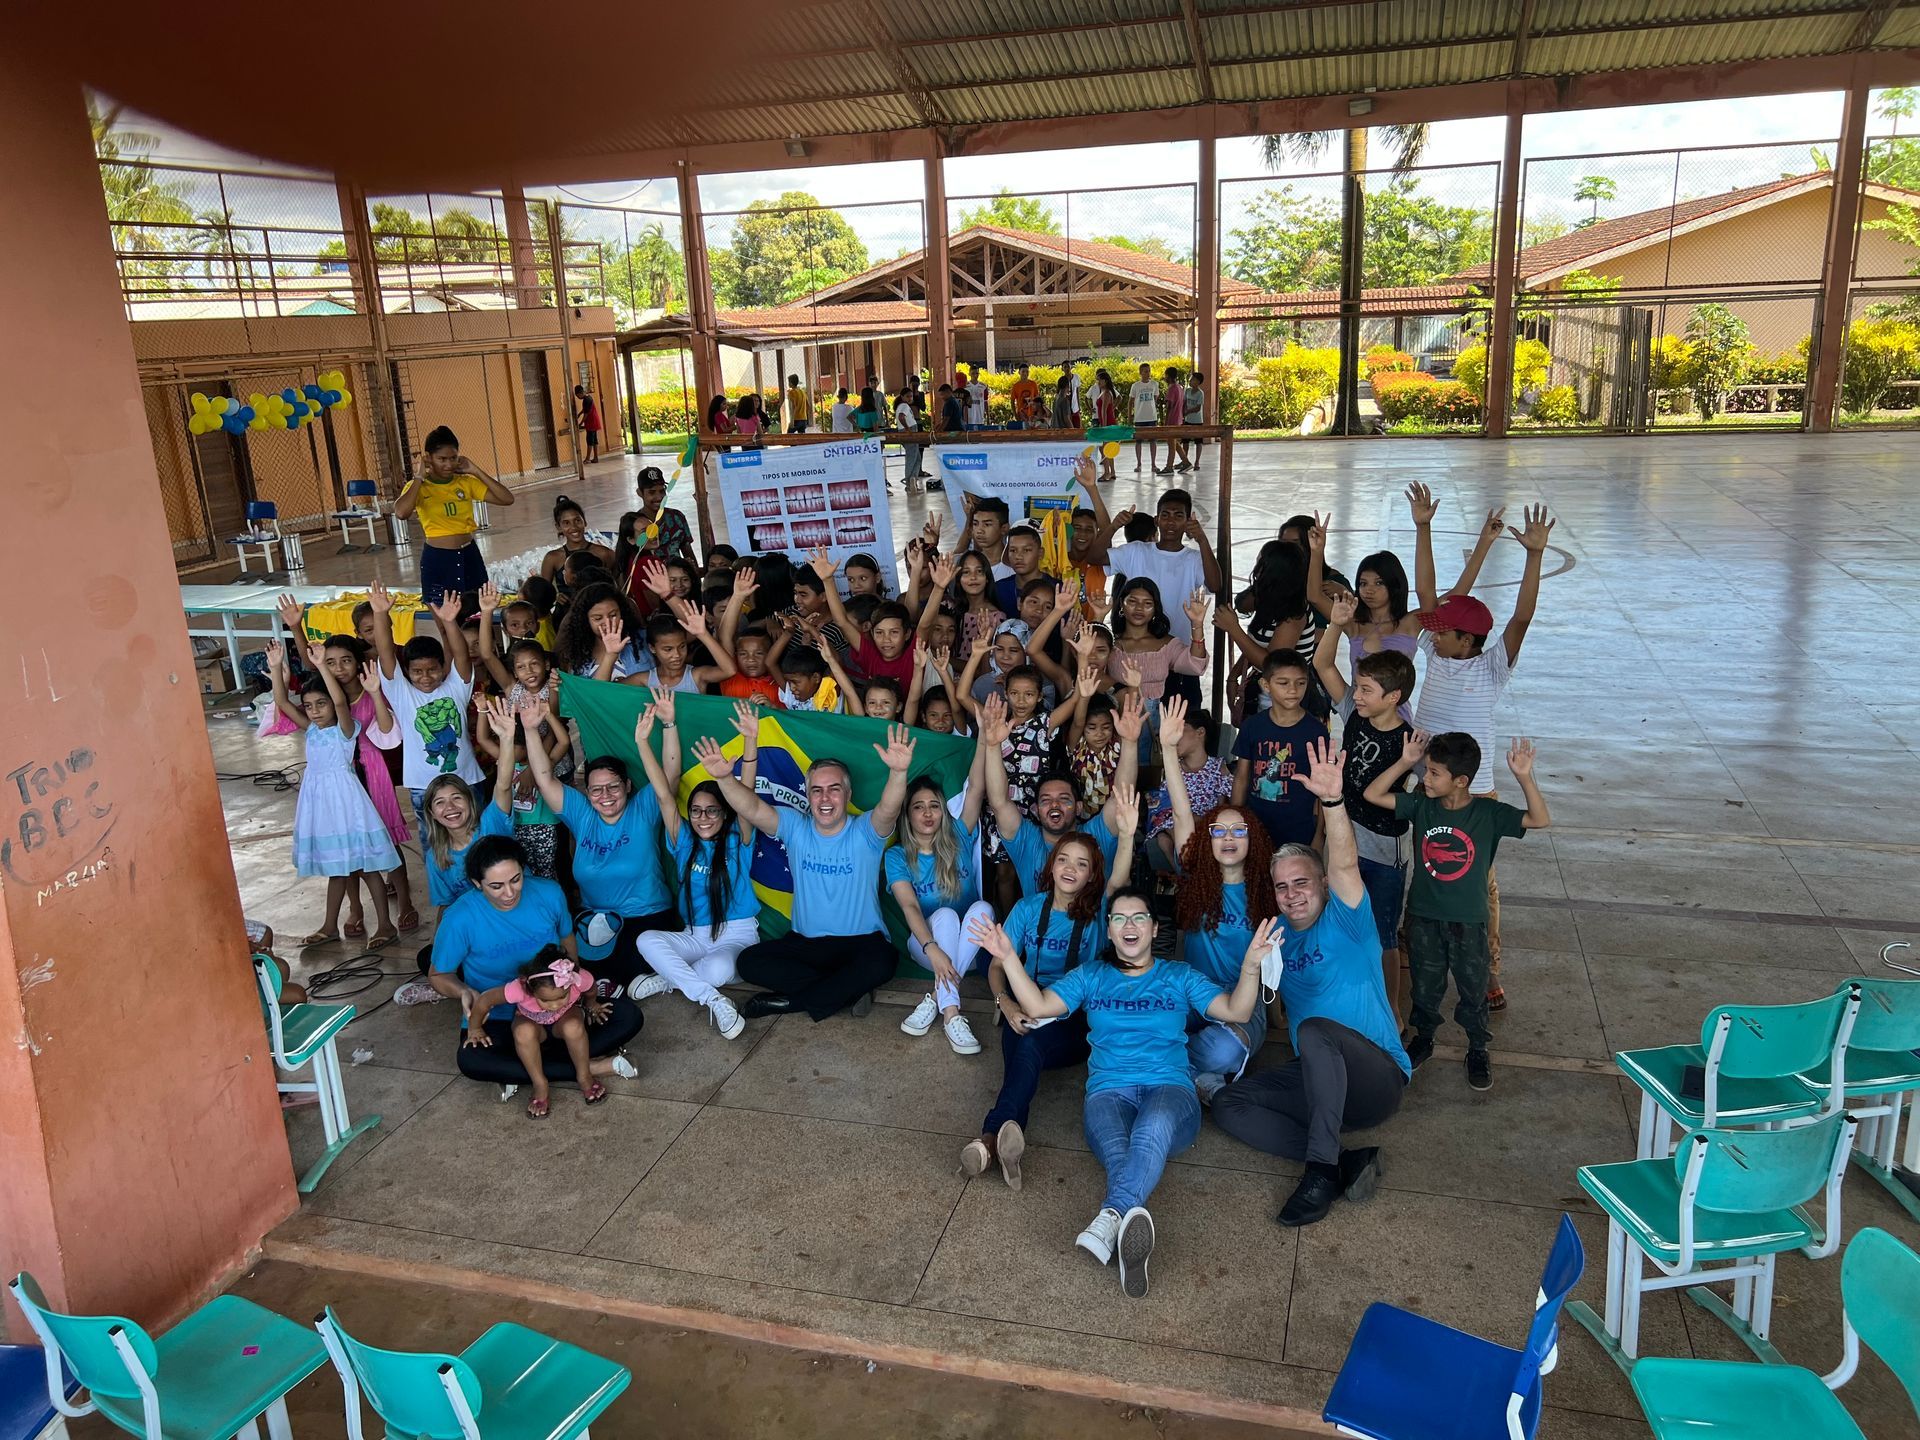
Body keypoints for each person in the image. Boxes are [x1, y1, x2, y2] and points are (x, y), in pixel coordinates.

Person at [976, 883, 1267, 1299]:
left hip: (1171, 1091)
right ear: (1109, 931)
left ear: (1152, 929)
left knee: (1151, 1128)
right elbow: (1039, 1007)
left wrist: (1252, 965)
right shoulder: (1092, 976)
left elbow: (1237, 1012)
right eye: (1119, 918)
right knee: (1120, 1156)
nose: (1129, 925)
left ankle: (1108, 1216)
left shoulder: (1178, 976)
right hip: (1107, 1094)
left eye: (1138, 918)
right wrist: (1007, 958)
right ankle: (1130, 1227)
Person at [1212, 738, 1412, 1228]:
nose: (1291, 893)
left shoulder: (1348, 918)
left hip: (1377, 1079)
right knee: (1227, 1104)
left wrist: (1334, 802)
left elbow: (1343, 860)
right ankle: (1344, 1161)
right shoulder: (1277, 941)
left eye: (1301, 882)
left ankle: (1320, 1172)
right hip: (1320, 1081)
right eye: (1282, 886)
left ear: (1322, 885)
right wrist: (1253, 966)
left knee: (1316, 1031)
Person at [1409, 493, 1556, 1011]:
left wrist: (1533, 556)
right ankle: (1417, 946)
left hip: (1475, 791)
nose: (1432, 633)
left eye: (1443, 631)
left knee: (1479, 882)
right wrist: (1423, 528)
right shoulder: (1436, 650)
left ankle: (1489, 966)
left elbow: (1522, 617)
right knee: (1423, 868)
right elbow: (1429, 594)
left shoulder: (1492, 666)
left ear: (1468, 640)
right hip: (1424, 780)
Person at [1364, 732, 1551, 1092]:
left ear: (1461, 781)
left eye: (1433, 772)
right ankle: (1425, 1037)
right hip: (1423, 916)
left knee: (1473, 988)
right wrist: (1405, 762)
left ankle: (1478, 1047)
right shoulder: (1422, 805)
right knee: (1426, 985)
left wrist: (1524, 777)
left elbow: (1539, 820)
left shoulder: (1488, 814)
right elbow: (1373, 795)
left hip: (1469, 922)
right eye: (1426, 771)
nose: (1425, 778)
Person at [706, 726, 916, 1020]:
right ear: (808, 794)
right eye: (816, 790)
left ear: (848, 793)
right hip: (805, 944)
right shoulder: (795, 825)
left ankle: (790, 1002)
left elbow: (889, 809)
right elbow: (752, 808)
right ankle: (847, 990)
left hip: (861, 943)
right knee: (749, 962)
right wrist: (725, 778)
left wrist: (898, 773)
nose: (825, 798)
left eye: (834, 789)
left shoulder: (866, 831)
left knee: (883, 962)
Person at [960, 827, 1130, 1188]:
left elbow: (1120, 880)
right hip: (1024, 1004)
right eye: (1064, 859)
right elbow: (996, 966)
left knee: (1029, 1047)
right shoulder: (1027, 908)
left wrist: (1127, 835)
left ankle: (990, 1138)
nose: (1070, 868)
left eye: (1081, 864)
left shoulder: (1099, 912)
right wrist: (1004, 1003)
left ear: (1091, 874)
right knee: (1024, 1038)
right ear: (1051, 866)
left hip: (1075, 1021)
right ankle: (1003, 1142)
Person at [428, 834, 642, 1089]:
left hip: (559, 1007)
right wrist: (464, 991)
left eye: (516, 880)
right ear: (477, 883)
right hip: (499, 1016)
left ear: (523, 870)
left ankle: (529, 1069)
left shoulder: (548, 893)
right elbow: (438, 975)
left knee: (628, 1017)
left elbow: (567, 938)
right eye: (496, 886)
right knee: (472, 1060)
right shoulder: (459, 918)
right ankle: (588, 1066)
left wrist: (573, 988)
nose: (509, 893)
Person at [520, 694, 678, 989]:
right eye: (596, 790)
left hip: (647, 917)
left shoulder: (643, 809)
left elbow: (670, 777)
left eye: (613, 787)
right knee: (564, 967)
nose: (604, 796)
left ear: (628, 786)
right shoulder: (582, 814)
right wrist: (530, 729)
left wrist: (669, 724)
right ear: (586, 792)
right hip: (596, 921)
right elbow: (544, 779)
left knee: (630, 961)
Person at [628, 693, 757, 1039]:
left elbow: (747, 790)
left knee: (717, 968)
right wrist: (642, 742)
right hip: (694, 935)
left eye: (711, 810)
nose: (702, 817)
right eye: (696, 810)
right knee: (647, 941)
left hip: (738, 934)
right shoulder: (684, 841)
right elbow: (663, 794)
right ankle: (714, 1001)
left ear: (724, 812)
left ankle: (670, 978)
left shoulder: (738, 838)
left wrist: (751, 740)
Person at [1313, 597, 1419, 1016]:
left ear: (1393, 697)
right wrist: (1336, 626)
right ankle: (1340, 995)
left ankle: (1390, 1008)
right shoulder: (1353, 714)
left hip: (1384, 846)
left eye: (1366, 690)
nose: (1356, 694)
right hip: (1344, 833)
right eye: (1357, 686)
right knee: (1336, 919)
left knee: (1384, 933)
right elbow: (1322, 667)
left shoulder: (1411, 742)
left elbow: (1427, 793)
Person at [267, 639, 402, 947]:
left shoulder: (346, 728)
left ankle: (385, 925)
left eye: (321, 704)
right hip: (324, 810)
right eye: (310, 706)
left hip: (349, 806)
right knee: (337, 871)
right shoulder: (312, 729)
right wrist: (277, 669)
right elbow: (284, 703)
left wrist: (319, 668)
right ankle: (329, 926)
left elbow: (340, 703)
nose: (314, 711)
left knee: (368, 869)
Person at [890, 730, 995, 1056]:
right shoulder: (897, 856)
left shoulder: (959, 836)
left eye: (934, 805)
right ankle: (952, 1014)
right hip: (925, 945)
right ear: (908, 814)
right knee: (946, 916)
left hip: (969, 950)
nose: (927, 813)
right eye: (918, 807)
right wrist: (932, 948)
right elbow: (908, 906)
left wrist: (984, 737)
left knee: (983, 909)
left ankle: (937, 1000)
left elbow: (976, 787)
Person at [368, 584, 484, 830]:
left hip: (468, 782)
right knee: (434, 847)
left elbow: (461, 655)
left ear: (444, 667)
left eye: (433, 669)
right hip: (424, 787)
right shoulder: (401, 693)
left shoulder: (456, 687)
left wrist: (450, 622)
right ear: (406, 672)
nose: (426, 677)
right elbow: (386, 653)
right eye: (417, 672)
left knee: (477, 843)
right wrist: (380, 614)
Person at [1106, 489, 1222, 714]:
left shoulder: (1193, 559)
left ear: (1189, 521)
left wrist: (1202, 539)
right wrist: (1112, 527)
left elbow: (1216, 585)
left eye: (1179, 515)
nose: (1171, 521)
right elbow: (1095, 556)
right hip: (1138, 658)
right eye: (1165, 515)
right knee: (1137, 723)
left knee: (1181, 724)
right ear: (1156, 520)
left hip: (1178, 658)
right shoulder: (1137, 551)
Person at [390, 426, 515, 611]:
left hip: (469, 555)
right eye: (441, 459)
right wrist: (419, 477)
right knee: (445, 618)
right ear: (428, 458)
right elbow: (401, 513)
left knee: (479, 612)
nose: (448, 465)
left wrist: (476, 471)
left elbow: (507, 499)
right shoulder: (418, 486)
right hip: (438, 559)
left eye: (453, 458)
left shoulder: (465, 482)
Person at [1231, 650, 1328, 850]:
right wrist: (1233, 825)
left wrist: (1319, 836)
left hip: (1299, 830)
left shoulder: (1316, 731)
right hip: (1256, 827)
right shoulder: (1252, 726)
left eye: (1300, 683)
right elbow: (1241, 776)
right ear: (1266, 686)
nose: (1293, 690)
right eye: (1283, 683)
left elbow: (1323, 789)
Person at [506, 947, 604, 1116]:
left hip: (564, 1020)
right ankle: (539, 1084)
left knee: (573, 1026)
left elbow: (591, 988)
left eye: (561, 997)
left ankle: (584, 1075)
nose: (554, 1005)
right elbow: (486, 999)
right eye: (545, 1000)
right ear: (530, 989)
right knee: (523, 1031)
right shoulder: (519, 988)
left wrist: (592, 1004)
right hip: (534, 1025)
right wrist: (475, 1027)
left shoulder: (578, 979)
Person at [540, 494, 614, 588]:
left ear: (585, 521)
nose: (574, 527)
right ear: (558, 527)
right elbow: (542, 594)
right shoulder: (552, 558)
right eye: (566, 523)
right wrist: (556, 597)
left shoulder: (604, 554)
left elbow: (618, 587)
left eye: (577, 520)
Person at [1128, 363, 1160, 473]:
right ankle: (1139, 464)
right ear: (1140, 373)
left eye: (1149, 371)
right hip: (1139, 418)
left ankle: (1153, 464)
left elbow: (1155, 399)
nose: (1148, 373)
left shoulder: (1154, 384)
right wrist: (1130, 417)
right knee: (1138, 442)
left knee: (1153, 441)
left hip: (1151, 417)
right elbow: (1130, 402)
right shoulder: (1135, 386)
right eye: (1145, 371)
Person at [1160, 368, 1186, 475]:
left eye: (1165, 375)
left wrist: (1165, 422)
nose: (1164, 378)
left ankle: (1169, 467)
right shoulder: (1179, 387)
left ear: (1169, 377)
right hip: (1178, 418)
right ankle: (1186, 462)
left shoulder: (1171, 389)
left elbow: (1169, 407)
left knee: (1171, 444)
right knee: (1175, 443)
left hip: (1172, 420)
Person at [573, 385, 602, 463]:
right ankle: (595, 457)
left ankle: (587, 458)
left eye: (577, 395)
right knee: (594, 440)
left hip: (591, 422)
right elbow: (585, 409)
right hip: (594, 421)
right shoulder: (588, 397)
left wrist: (580, 423)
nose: (578, 397)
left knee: (589, 440)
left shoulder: (586, 400)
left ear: (580, 393)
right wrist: (579, 414)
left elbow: (586, 414)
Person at [1009, 363, 1041, 427]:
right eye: (1023, 371)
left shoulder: (1033, 384)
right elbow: (1012, 402)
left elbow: (1038, 399)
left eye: (1027, 371)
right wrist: (1016, 415)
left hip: (1032, 415)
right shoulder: (1015, 386)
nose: (1025, 373)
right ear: (1019, 372)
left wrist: (1037, 413)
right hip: (1021, 415)